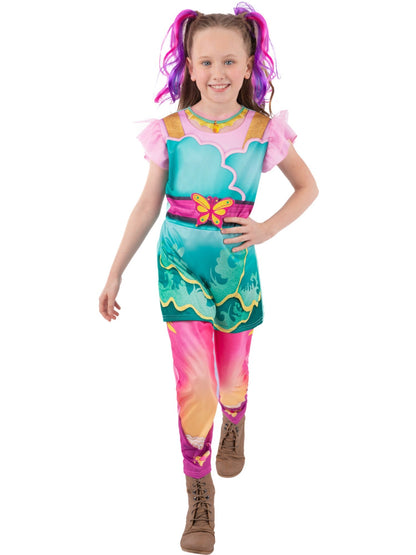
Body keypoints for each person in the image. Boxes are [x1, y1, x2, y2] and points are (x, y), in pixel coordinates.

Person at [99, 3, 318, 553]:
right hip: (178, 265)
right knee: (195, 382)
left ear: (248, 66)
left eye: (229, 61)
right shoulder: (170, 132)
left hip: (236, 268)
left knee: (230, 377)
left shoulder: (264, 130)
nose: (218, 72)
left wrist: (266, 229)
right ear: (190, 68)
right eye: (206, 62)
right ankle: (199, 492)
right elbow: (147, 206)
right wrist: (115, 271)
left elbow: (308, 188)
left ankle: (235, 416)